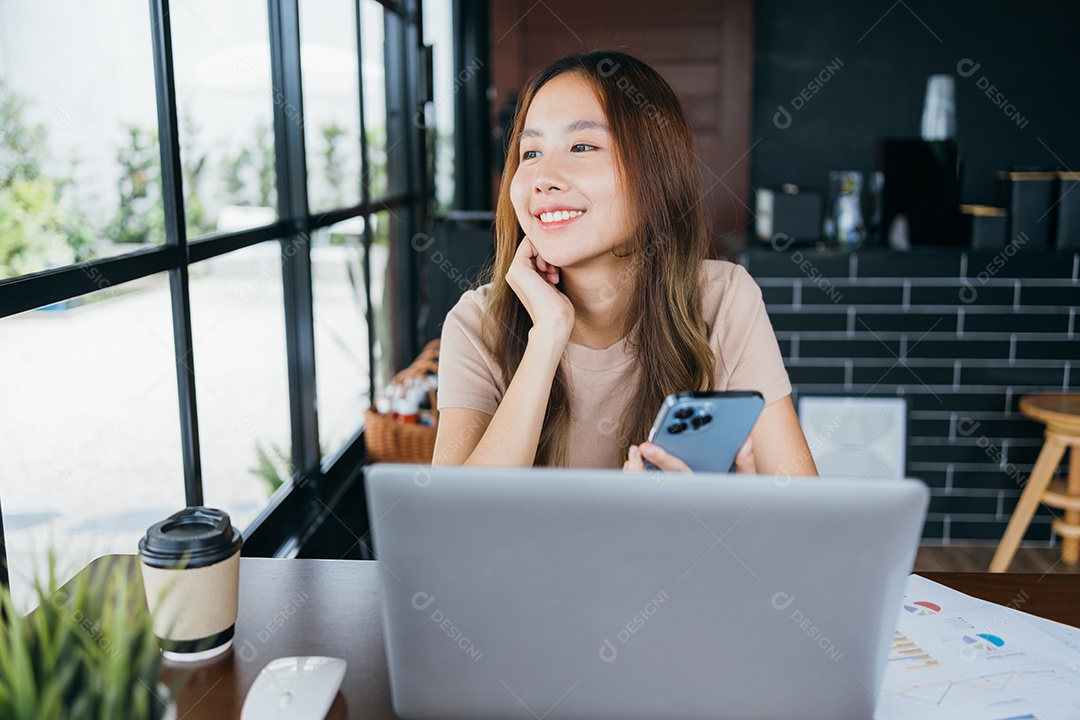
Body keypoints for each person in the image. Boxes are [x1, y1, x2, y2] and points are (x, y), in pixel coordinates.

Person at [432, 49, 816, 476]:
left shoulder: (724, 299)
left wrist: (722, 506)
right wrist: (548, 335)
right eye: (531, 153)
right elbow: (457, 528)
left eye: (582, 146)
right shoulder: (475, 324)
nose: (544, 179)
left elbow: (803, 518)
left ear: (656, 172)